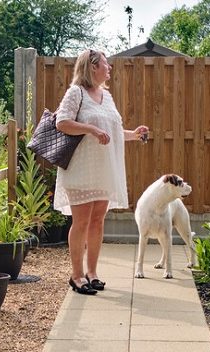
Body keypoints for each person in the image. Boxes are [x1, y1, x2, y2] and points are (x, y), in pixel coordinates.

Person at [54, 49, 149, 295]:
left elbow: (113, 131)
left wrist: (134, 135)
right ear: (92, 67)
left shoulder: (106, 96)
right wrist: (91, 129)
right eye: (106, 64)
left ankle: (92, 272)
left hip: (104, 169)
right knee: (82, 221)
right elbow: (61, 122)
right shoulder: (76, 93)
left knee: (97, 221)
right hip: (81, 169)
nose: (110, 68)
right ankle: (76, 276)